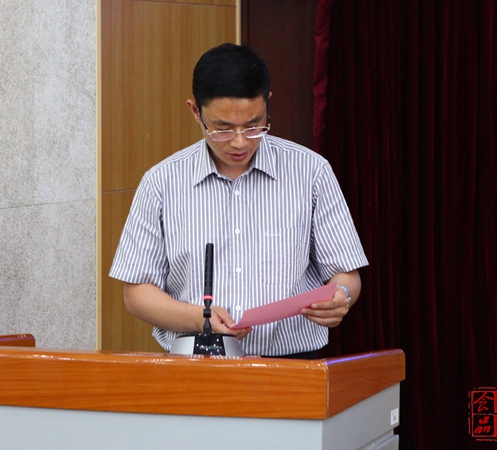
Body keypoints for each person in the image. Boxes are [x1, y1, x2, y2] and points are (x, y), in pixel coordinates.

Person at [109, 43, 368, 358]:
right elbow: (136, 293)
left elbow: (346, 275)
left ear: (268, 104)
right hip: (197, 362)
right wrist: (200, 318)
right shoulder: (161, 183)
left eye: (254, 125)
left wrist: (342, 297)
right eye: (222, 129)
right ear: (195, 112)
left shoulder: (310, 172)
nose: (239, 142)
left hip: (292, 365)